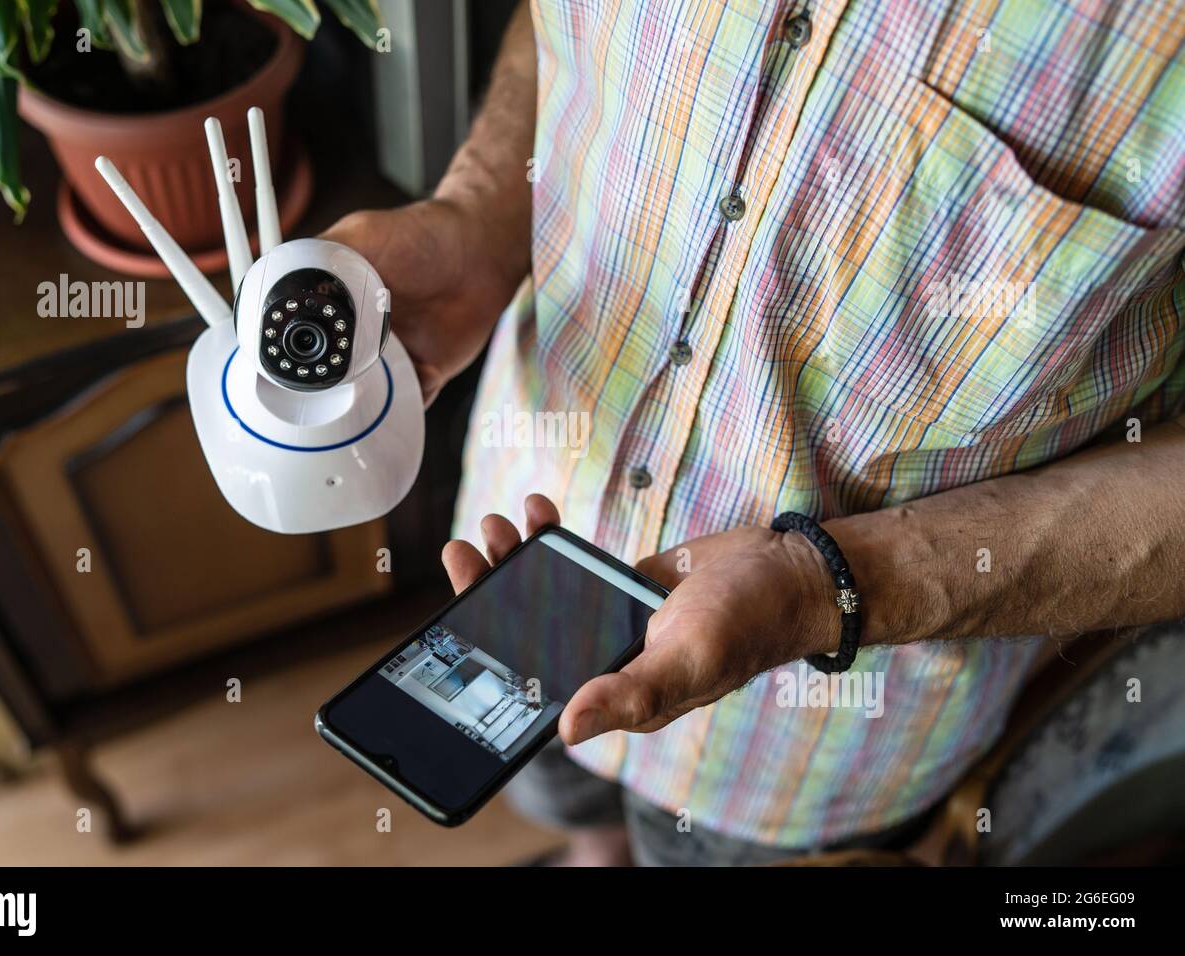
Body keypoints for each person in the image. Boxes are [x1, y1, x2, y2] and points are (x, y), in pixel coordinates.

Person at [324, 0, 1185, 865]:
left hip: (822, 733)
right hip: (536, 531)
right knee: (560, 791)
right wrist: (479, 211)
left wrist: (821, 589)